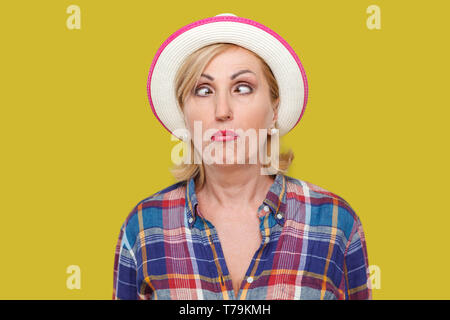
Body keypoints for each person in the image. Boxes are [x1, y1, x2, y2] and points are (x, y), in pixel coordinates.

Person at [112, 13, 372, 300]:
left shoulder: (335, 221)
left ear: (274, 108)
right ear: (184, 115)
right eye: (203, 90)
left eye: (243, 88)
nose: (222, 110)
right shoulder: (144, 226)